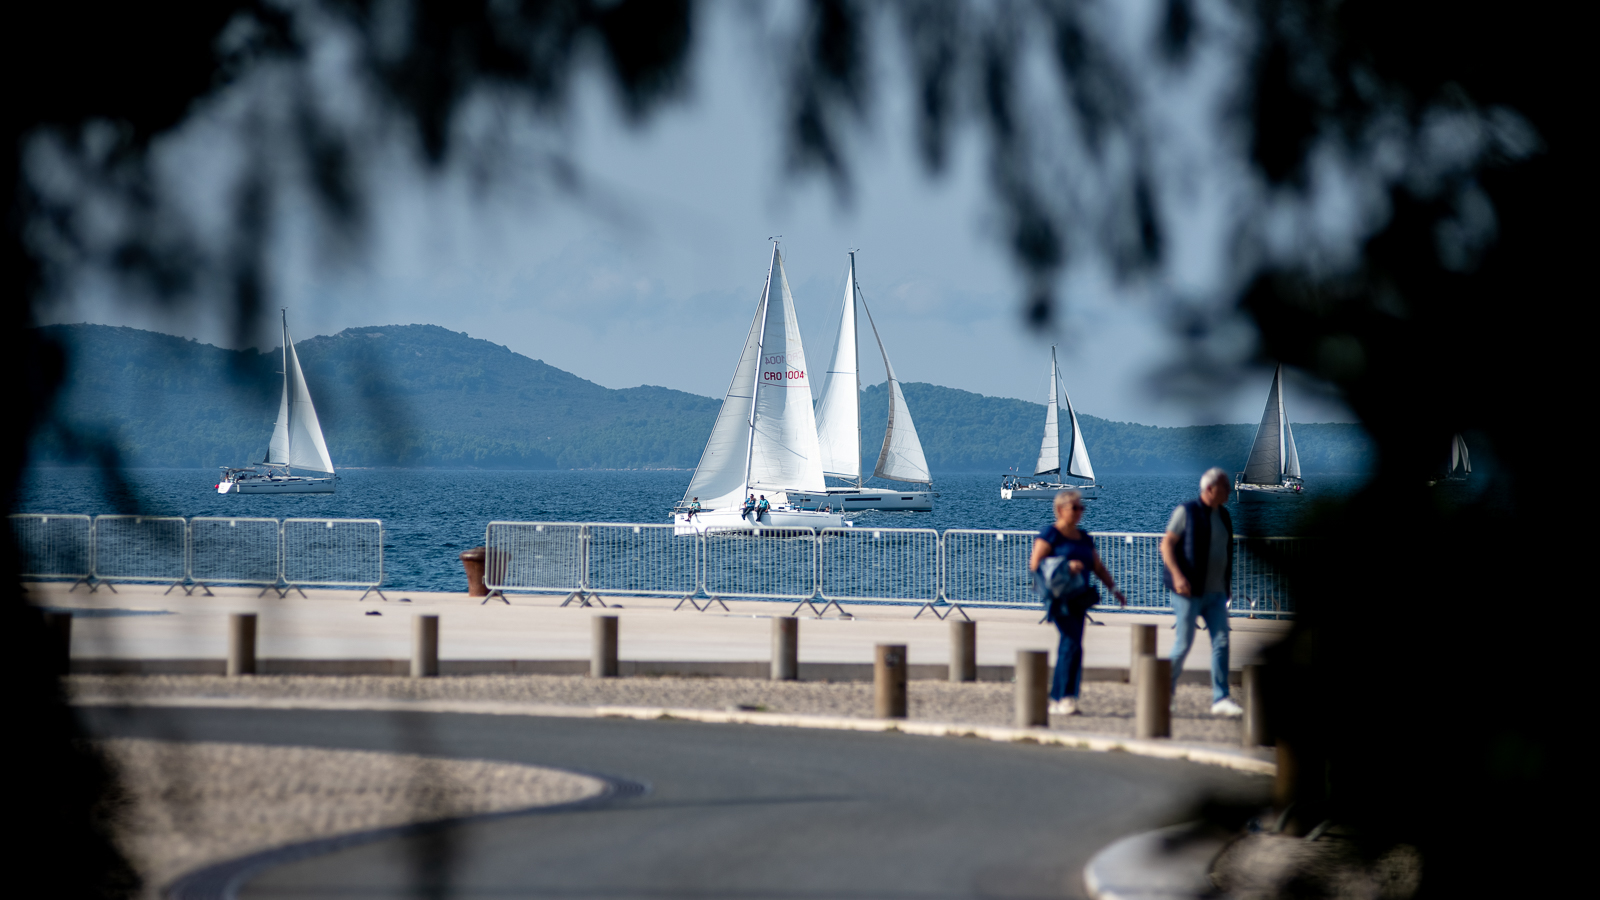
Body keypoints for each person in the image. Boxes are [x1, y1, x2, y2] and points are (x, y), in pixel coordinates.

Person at [1029, 489, 1126, 715]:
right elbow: (1035, 564)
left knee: (1072, 645)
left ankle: (1058, 697)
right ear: (1060, 509)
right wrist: (1066, 566)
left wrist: (1114, 589)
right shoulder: (1051, 534)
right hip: (1059, 598)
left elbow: (1098, 567)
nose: (1080, 511)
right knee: (1072, 643)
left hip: (1079, 598)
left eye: (1081, 507)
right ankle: (1065, 697)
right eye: (1075, 507)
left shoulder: (1083, 537)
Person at [1161, 467, 1244, 716]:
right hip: (1188, 592)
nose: (1229, 490)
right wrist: (1178, 576)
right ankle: (1163, 693)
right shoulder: (1186, 512)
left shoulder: (1224, 515)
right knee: (1183, 643)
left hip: (1216, 593)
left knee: (1222, 642)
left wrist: (1227, 585)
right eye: (1225, 486)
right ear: (1210, 489)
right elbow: (1166, 545)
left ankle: (1221, 698)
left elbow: (1226, 552)